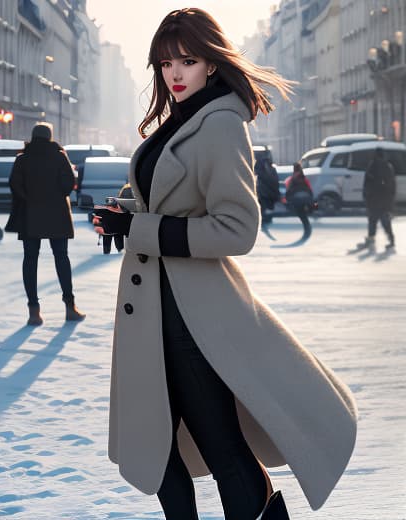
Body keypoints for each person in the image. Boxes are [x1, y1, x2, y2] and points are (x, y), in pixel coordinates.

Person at [92, 8, 357, 519]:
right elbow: (174, 202)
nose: (174, 73)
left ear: (211, 64)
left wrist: (142, 230)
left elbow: (237, 228)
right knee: (155, 448)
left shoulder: (219, 124)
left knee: (220, 446)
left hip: (194, 317)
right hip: (155, 312)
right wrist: (125, 214)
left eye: (187, 61)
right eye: (165, 62)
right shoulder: (181, 120)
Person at [6, 122, 85, 325]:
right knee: (61, 257)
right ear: (50, 136)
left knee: (30, 260)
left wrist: (30, 199)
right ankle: (70, 307)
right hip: (57, 213)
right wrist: (55, 196)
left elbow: (14, 184)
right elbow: (69, 184)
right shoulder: (59, 156)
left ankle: (34, 311)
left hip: (30, 215)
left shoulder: (22, 159)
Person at [357, 147, 396, 252]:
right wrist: (390, 200)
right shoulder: (388, 167)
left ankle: (371, 239)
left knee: (372, 220)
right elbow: (392, 186)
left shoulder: (372, 166)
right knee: (385, 222)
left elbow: (367, 183)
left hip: (373, 199)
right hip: (384, 199)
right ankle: (391, 241)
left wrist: (365, 196)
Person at [284, 162, 314, 241]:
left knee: (302, 215)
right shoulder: (304, 178)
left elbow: (288, 189)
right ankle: (307, 229)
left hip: (297, 199)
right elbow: (310, 189)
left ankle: (307, 230)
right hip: (306, 198)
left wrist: (287, 199)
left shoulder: (292, 179)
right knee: (304, 215)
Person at [254, 157, 280, 225]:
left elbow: (274, 181)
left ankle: (266, 219)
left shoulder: (268, 171)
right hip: (265, 193)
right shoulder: (264, 171)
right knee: (264, 207)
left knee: (267, 207)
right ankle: (264, 219)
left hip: (268, 192)